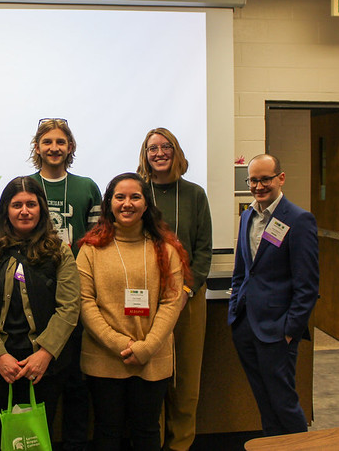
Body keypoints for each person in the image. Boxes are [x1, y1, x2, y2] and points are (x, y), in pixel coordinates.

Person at [0, 176, 80, 450]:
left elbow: (69, 306)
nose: (24, 211)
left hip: (40, 368)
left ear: (41, 209)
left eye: (31, 204)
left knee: (32, 441)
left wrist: (45, 353)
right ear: (6, 210)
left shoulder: (59, 253)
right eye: (17, 205)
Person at [77, 173, 189, 451]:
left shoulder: (166, 248)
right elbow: (84, 303)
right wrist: (120, 344)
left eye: (135, 197)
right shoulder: (91, 249)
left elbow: (172, 301)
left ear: (146, 204)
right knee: (107, 431)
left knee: (147, 430)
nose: (127, 203)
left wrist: (147, 347)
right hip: (103, 358)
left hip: (152, 358)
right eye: (120, 197)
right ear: (108, 204)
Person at [228, 154, 319, 436]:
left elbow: (308, 285)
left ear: (281, 178)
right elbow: (242, 271)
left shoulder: (299, 220)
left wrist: (290, 329)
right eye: (253, 180)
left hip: (278, 330)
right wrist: (235, 311)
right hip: (246, 325)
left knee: (283, 401)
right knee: (264, 402)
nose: (258, 186)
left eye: (265, 179)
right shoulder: (247, 216)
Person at [137, 127, 212, 451]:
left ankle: (181, 445)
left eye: (165, 146)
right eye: (152, 148)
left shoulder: (195, 194)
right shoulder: (138, 193)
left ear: (176, 151)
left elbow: (204, 250)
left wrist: (185, 292)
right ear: (145, 155)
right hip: (145, 300)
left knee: (186, 379)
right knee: (153, 376)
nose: (159, 153)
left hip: (187, 299)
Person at [29, 117, 101, 450]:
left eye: (60, 142)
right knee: (42, 380)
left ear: (69, 147)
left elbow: (98, 240)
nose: (54, 148)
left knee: (75, 382)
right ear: (38, 147)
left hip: (76, 291)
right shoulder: (24, 186)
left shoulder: (87, 187)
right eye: (47, 142)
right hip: (35, 291)